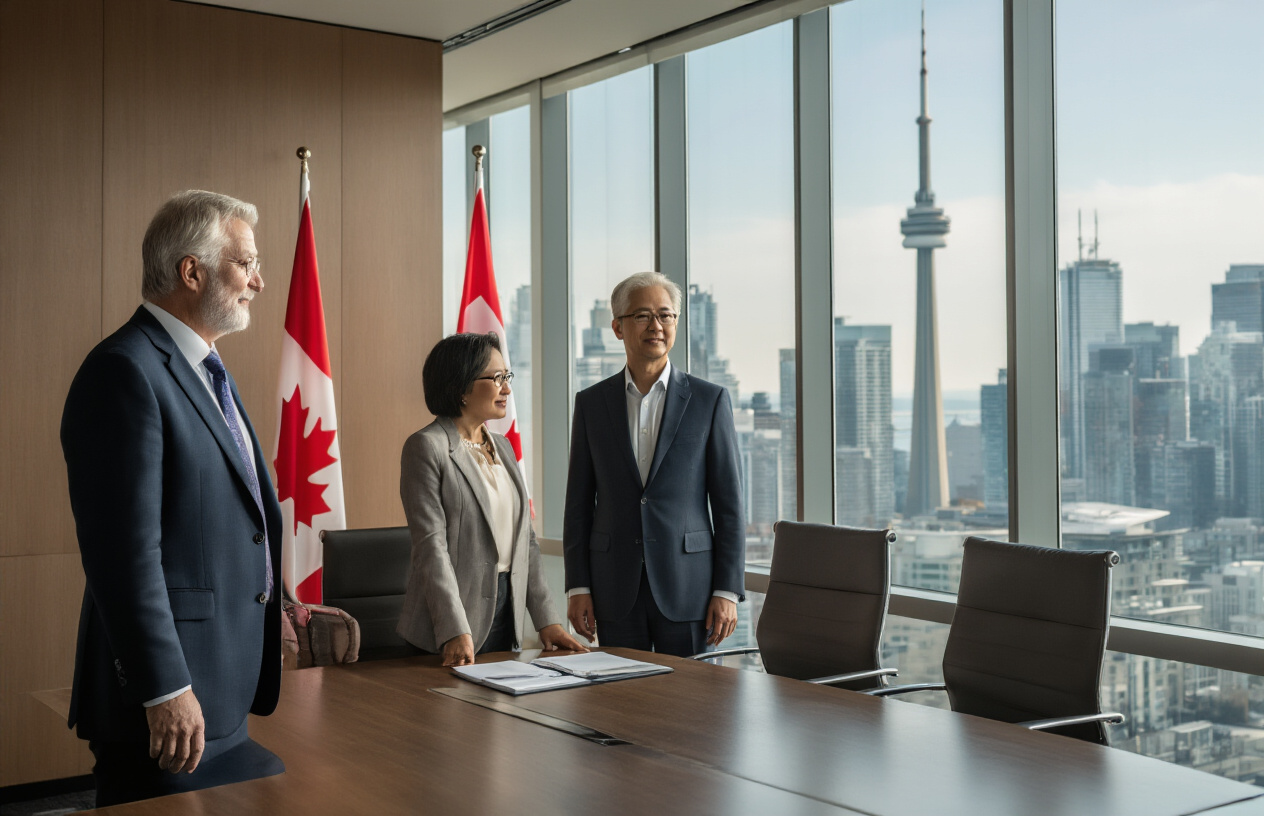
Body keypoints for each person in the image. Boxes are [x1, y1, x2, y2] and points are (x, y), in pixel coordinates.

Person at [61, 190, 285, 806]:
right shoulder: (124, 371)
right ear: (193, 271)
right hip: (166, 710)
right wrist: (164, 689)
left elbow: (224, 521)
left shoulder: (207, 368)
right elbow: (123, 555)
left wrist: (283, 605)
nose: (259, 282)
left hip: (224, 697)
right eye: (246, 263)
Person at [563, 272, 745, 657]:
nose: (656, 326)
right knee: (620, 705)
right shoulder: (592, 404)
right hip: (613, 588)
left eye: (666, 315)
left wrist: (727, 589)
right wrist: (578, 587)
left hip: (690, 589)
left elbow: (729, 505)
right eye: (643, 316)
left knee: (692, 705)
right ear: (617, 327)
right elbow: (578, 505)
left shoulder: (709, 401)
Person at [397, 332, 587, 665]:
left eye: (507, 377)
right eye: (497, 378)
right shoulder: (426, 447)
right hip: (449, 623)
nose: (507, 389)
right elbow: (431, 547)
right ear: (461, 386)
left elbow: (525, 543)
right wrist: (454, 628)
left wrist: (547, 620)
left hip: (505, 615)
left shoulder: (504, 448)